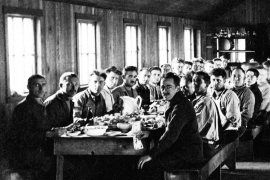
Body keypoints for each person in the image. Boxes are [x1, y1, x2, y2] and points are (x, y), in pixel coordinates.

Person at [138, 72, 203, 180]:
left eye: (169, 87)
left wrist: (151, 155)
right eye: (162, 87)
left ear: (177, 88)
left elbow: (170, 135)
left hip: (188, 155)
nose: (164, 91)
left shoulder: (181, 106)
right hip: (182, 150)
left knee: (147, 165)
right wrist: (149, 132)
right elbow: (169, 129)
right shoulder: (174, 102)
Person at [8, 75, 53, 179]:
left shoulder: (41, 104)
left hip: (40, 151)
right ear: (28, 87)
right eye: (36, 85)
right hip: (29, 156)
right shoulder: (23, 108)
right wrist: (49, 134)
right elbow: (24, 137)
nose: (41, 88)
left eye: (43, 85)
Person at [192, 71, 220, 157]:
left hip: (205, 146)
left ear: (207, 85)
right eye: (193, 81)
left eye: (198, 81)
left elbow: (195, 127)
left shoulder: (205, 102)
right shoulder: (199, 100)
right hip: (203, 143)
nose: (194, 84)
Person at [210, 68, 241, 144]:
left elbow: (231, 119)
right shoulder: (211, 96)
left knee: (213, 143)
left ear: (224, 80)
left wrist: (218, 132)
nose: (215, 83)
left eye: (218, 80)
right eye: (213, 80)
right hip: (218, 129)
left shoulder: (230, 95)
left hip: (229, 130)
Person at [230, 68, 255, 137]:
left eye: (239, 76)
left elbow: (247, 114)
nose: (236, 78)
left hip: (240, 126)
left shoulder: (248, 93)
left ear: (244, 79)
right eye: (234, 76)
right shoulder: (229, 91)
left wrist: (230, 119)